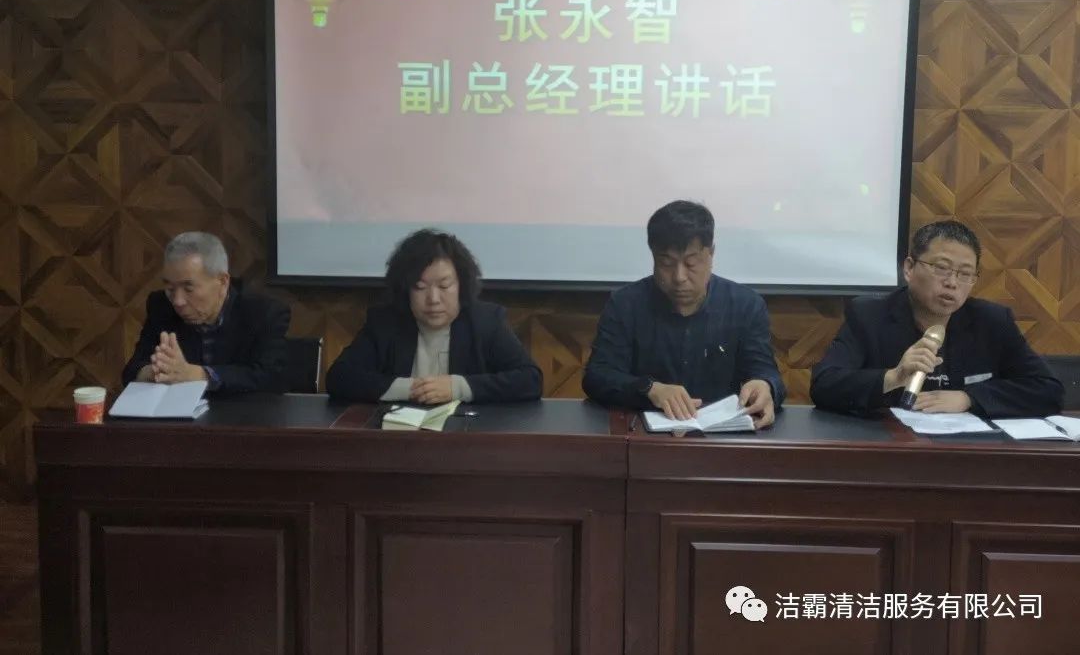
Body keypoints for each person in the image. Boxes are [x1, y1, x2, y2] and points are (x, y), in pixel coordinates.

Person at [811, 220, 1062, 418]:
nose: (952, 283)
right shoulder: (869, 315)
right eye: (941, 268)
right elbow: (824, 385)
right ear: (909, 268)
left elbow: (1048, 389)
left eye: (965, 274)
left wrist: (969, 398)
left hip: (965, 453)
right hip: (889, 446)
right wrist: (893, 377)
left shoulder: (992, 322)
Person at [582, 200, 785, 427]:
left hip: (723, 437)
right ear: (653, 256)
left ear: (711, 254)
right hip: (643, 436)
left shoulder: (745, 305)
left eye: (691, 263)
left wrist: (765, 385)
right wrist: (649, 388)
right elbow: (597, 376)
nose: (679, 277)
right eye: (666, 263)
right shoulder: (625, 304)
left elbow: (766, 371)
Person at [326, 229, 542, 403]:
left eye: (444, 286)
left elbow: (530, 380)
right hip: (399, 434)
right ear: (406, 290)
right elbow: (339, 378)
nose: (433, 299)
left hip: (467, 435)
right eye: (420, 287)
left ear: (461, 285)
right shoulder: (385, 322)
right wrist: (412, 389)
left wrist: (457, 387)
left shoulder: (486, 321)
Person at [121, 232, 290, 393]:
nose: (178, 301)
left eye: (189, 289)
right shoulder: (161, 305)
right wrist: (155, 371)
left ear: (222, 281)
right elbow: (131, 371)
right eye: (170, 288)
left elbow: (270, 378)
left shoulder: (264, 313)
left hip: (242, 411)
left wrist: (200, 374)